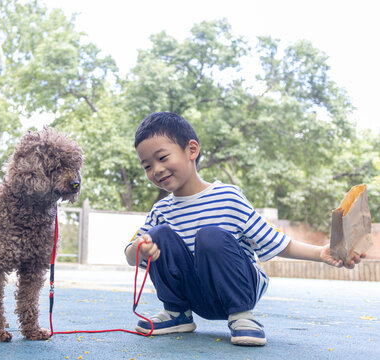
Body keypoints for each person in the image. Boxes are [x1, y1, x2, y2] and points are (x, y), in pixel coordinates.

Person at [124, 111, 366, 346]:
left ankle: (242, 315)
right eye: (147, 166)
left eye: (162, 158)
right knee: (155, 235)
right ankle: (177, 314)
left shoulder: (227, 196)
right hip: (195, 294)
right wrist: (140, 249)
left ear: (192, 150)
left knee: (210, 236)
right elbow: (130, 253)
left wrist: (320, 253)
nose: (156, 170)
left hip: (237, 288)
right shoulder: (161, 210)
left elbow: (272, 239)